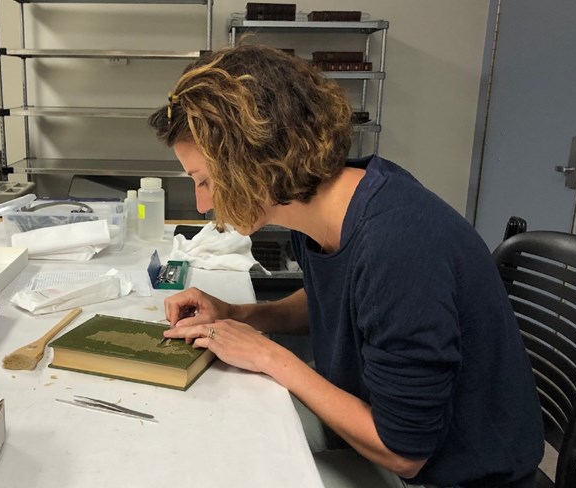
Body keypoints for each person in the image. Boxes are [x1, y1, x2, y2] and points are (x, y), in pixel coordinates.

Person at [148, 44, 544, 488]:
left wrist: (270, 356)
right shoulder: (321, 204)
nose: (203, 204)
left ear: (256, 162)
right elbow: (337, 301)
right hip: (389, 442)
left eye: (206, 181)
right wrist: (240, 314)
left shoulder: (395, 243)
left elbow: (403, 452)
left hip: (457, 475)